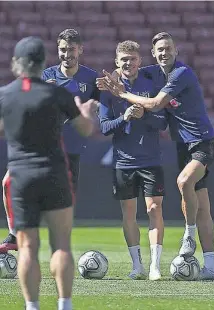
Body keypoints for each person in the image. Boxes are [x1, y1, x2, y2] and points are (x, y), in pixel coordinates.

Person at [97, 33, 214, 279]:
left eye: (168, 48)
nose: (164, 53)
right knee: (203, 206)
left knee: (184, 181)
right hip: (182, 145)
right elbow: (126, 67)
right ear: (153, 55)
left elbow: (155, 105)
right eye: (160, 50)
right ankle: (212, 268)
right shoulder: (154, 72)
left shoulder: (180, 74)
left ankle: (188, 234)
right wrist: (113, 78)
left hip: (203, 140)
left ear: (176, 50)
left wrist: (122, 94)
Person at [0, 36, 97, 310]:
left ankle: (32, 306)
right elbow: (86, 130)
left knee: (28, 247)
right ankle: (64, 304)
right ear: (43, 62)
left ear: (16, 64)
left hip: (21, 177)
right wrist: (86, 111)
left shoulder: (5, 94)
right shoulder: (58, 94)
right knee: (61, 245)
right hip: (54, 173)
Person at [98, 41, 167, 281]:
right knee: (129, 214)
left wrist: (145, 114)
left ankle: (155, 266)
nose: (129, 63)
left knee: (154, 208)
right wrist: (125, 117)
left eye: (133, 58)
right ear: (117, 62)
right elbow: (105, 127)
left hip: (150, 159)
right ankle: (137, 266)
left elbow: (163, 122)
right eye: (124, 59)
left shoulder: (151, 84)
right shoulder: (108, 90)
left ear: (140, 60)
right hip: (123, 162)